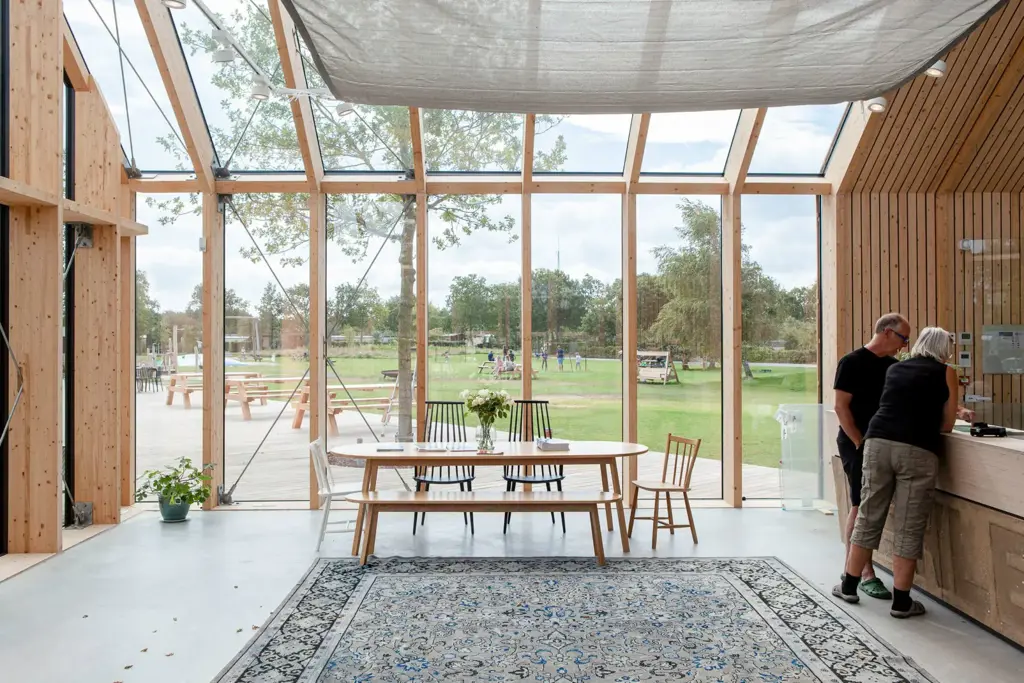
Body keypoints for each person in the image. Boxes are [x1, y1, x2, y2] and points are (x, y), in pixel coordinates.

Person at [834, 327, 960, 619]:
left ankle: (849, 585)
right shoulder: (946, 372)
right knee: (909, 524)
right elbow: (947, 425)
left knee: (868, 514)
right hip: (917, 449)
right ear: (944, 350)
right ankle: (901, 602)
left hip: (877, 442)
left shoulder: (895, 369)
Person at [832, 312, 909, 601]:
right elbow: (841, 407)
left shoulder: (894, 367)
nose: (905, 345)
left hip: (883, 446)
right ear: (887, 332)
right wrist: (859, 442)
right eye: (903, 338)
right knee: (859, 505)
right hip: (856, 443)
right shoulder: (851, 362)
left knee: (868, 506)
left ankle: (851, 573)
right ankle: (862, 574)